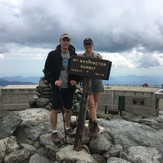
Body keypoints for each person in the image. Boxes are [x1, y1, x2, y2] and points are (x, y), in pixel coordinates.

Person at [44, 33, 80, 144]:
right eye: (64, 40)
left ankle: (68, 128)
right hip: (57, 88)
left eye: (67, 40)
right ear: (60, 41)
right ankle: (54, 132)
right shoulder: (53, 54)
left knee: (68, 109)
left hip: (69, 87)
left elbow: (78, 72)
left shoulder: (73, 55)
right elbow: (47, 70)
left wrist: (76, 80)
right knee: (55, 109)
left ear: (70, 41)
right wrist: (54, 81)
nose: (65, 42)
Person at [79, 37, 104, 137]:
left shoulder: (97, 55)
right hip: (87, 84)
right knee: (92, 104)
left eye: (89, 44)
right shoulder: (82, 56)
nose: (88, 46)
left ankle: (91, 120)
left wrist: (101, 60)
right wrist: (78, 58)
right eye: (86, 44)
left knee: (95, 102)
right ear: (84, 46)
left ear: (92, 45)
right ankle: (94, 122)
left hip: (97, 82)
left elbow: (102, 67)